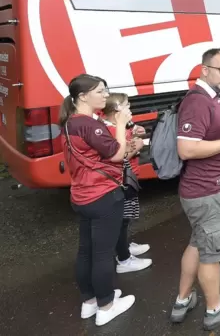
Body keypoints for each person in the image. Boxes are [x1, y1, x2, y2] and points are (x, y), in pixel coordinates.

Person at [170, 48, 220, 331]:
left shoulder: (211, 98)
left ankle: (182, 301)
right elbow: (187, 148)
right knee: (212, 255)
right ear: (204, 69)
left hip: (203, 190)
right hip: (209, 192)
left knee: (197, 244)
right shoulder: (199, 101)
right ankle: (215, 308)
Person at [60, 74, 136, 326]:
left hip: (82, 195)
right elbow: (116, 154)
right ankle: (106, 305)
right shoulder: (90, 125)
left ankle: (89, 301)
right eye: (100, 91)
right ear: (83, 96)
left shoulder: (71, 122)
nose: (105, 95)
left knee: (86, 251)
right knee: (103, 253)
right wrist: (122, 127)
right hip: (103, 194)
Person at [101, 93, 152, 274]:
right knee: (122, 220)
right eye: (127, 106)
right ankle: (123, 258)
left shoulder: (117, 127)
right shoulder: (112, 131)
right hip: (122, 181)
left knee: (127, 217)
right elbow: (117, 158)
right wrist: (135, 147)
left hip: (129, 178)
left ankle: (126, 246)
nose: (130, 110)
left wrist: (134, 133)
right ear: (116, 112)